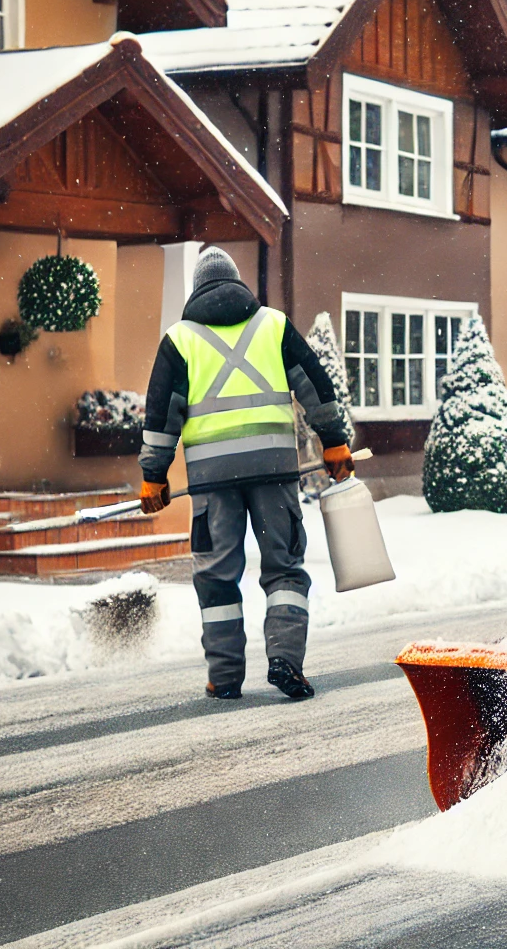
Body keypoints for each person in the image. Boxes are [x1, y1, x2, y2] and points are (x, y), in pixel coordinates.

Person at [138, 247, 354, 701]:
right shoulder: (272, 326)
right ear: (238, 284)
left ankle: (225, 677)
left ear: (197, 289)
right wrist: (332, 440)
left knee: (216, 575)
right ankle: (285, 659)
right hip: (273, 469)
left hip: (212, 481)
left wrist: (154, 475)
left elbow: (161, 415)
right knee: (285, 568)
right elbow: (314, 384)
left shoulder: (179, 340)